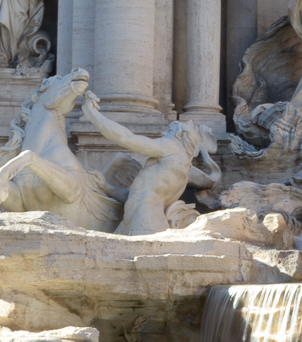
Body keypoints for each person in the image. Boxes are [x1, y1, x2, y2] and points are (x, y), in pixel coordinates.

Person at [82, 91, 221, 236]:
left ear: (179, 135)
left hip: (143, 222)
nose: (163, 134)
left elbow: (126, 138)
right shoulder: (181, 171)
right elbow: (137, 195)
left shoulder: (171, 147)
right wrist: (106, 187)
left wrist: (92, 114)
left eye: (169, 130)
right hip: (142, 222)